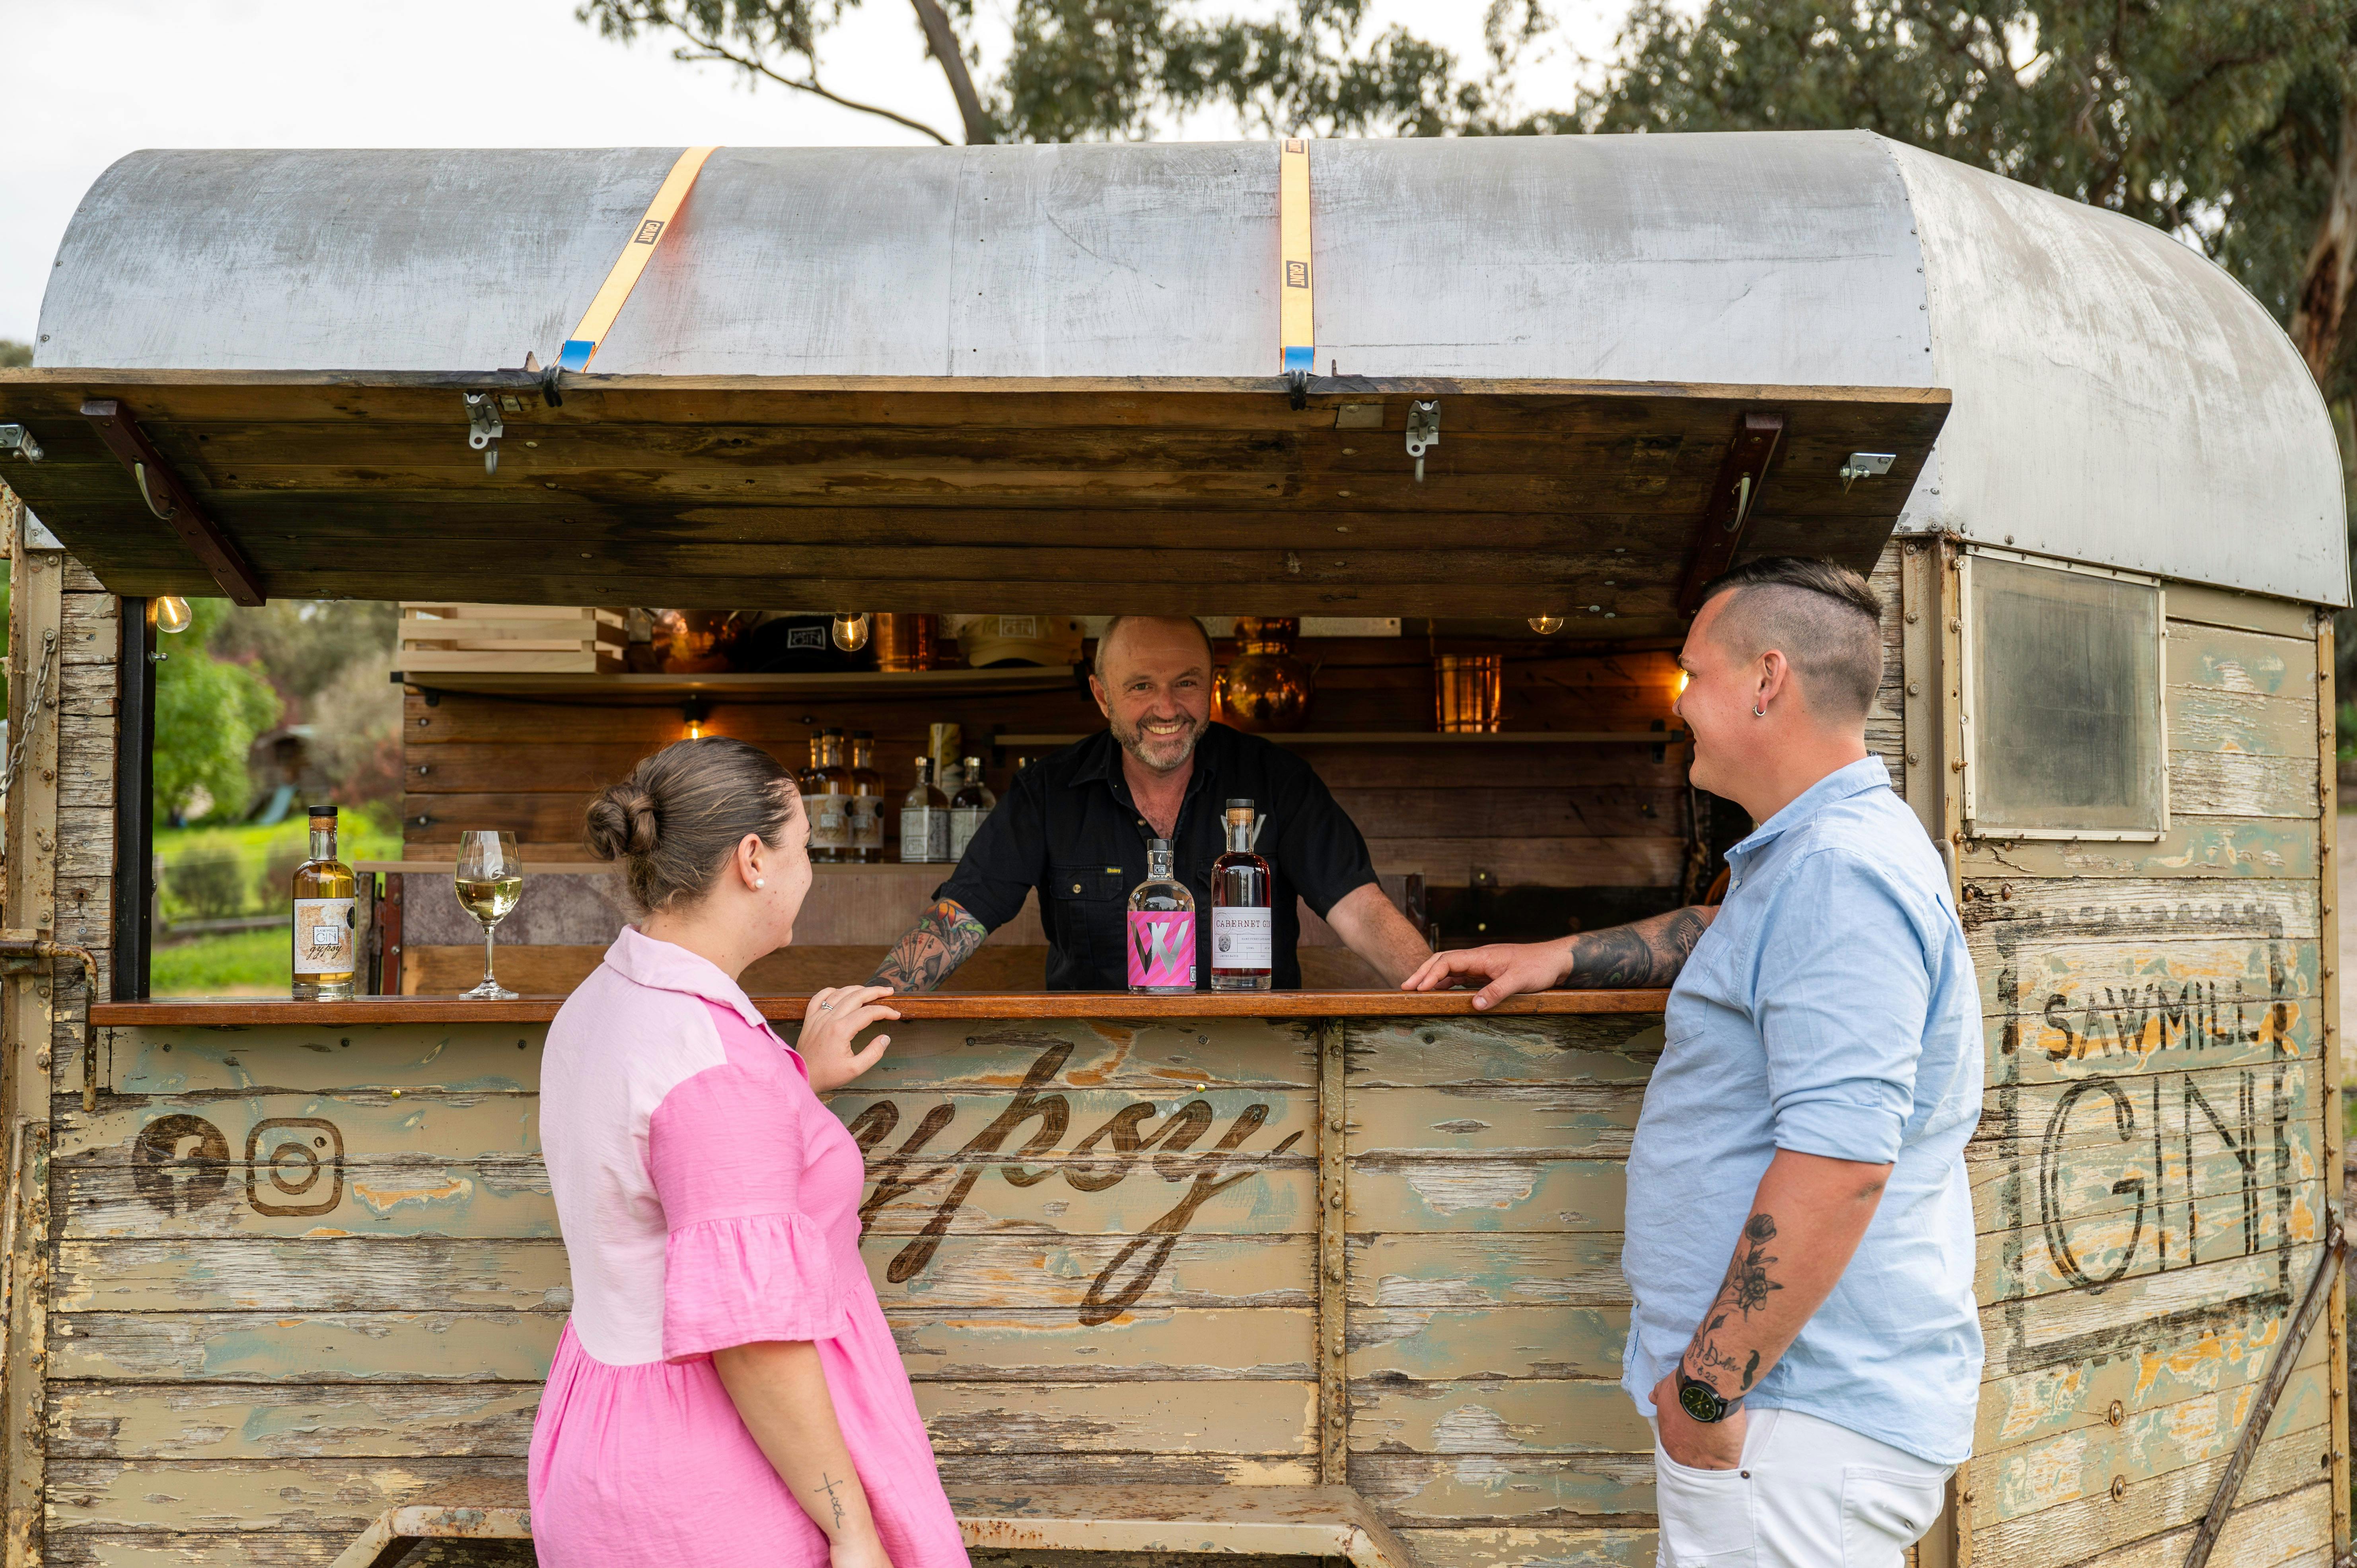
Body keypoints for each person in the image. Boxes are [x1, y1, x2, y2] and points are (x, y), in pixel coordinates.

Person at [1403, 557, 1982, 1568]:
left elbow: (1841, 1166)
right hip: (1785, 1416)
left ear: (1766, 680)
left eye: (1691, 674)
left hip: (1788, 1420)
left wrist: (1710, 1389)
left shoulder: (1840, 873)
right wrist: (1563, 956)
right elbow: (1731, 935)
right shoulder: (1814, 860)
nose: (1680, 703)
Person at [531, 737, 967, 1568]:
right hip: (713, 1483)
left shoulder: (603, 1000)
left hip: (605, 1438)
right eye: (803, 849)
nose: (810, 871)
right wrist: (852, 1530)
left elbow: (666, 1165)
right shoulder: (712, 1063)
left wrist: (793, 1080)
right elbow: (754, 1341)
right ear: (753, 860)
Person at [872, 615, 1432, 992]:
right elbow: (962, 915)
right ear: (1101, 695)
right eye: (1140, 686)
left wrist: (1449, 1001)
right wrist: (873, 999)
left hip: (1261, 1061)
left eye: (1185, 683)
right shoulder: (1047, 792)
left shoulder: (1278, 780)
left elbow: (1359, 909)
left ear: (1211, 684)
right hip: (1091, 1075)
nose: (1166, 708)